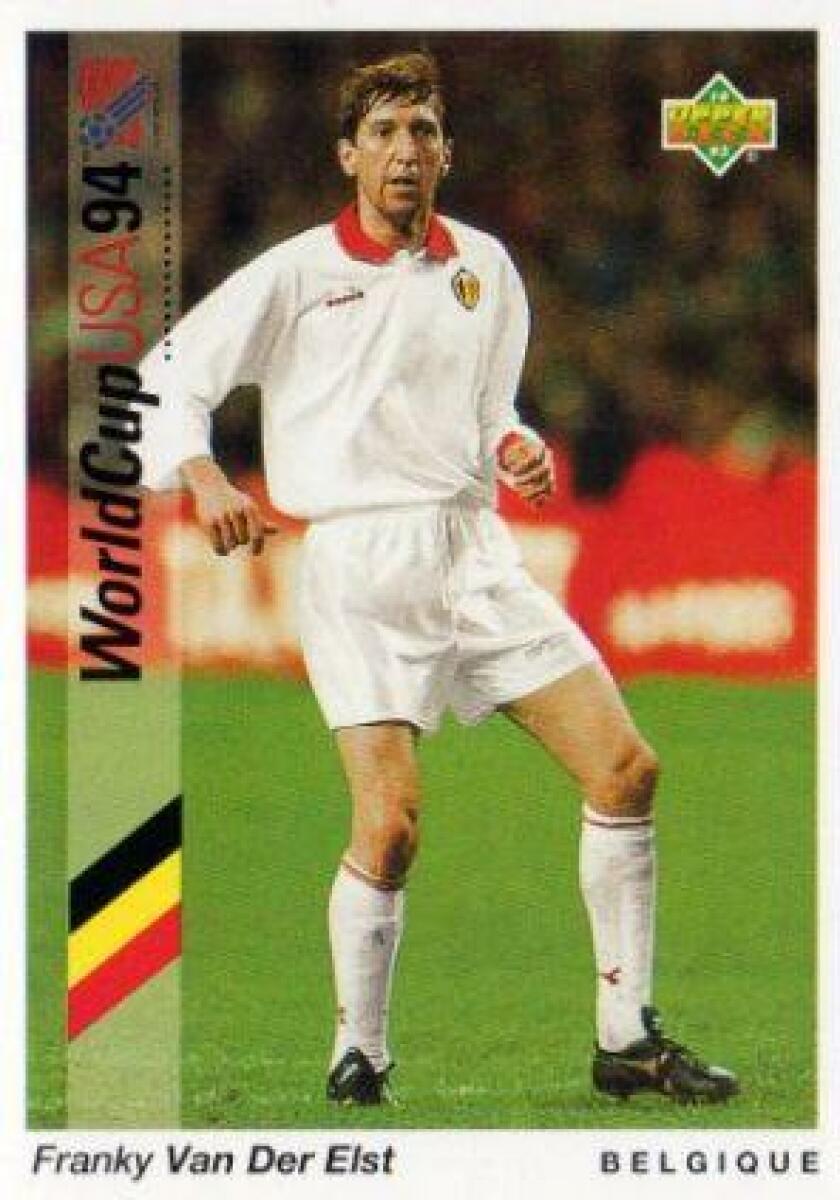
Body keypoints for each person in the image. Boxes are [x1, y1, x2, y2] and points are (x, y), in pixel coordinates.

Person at [139, 51, 738, 1107]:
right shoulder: (293, 274)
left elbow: (492, 411)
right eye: (383, 132)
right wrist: (203, 475)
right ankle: (358, 1052)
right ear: (348, 155)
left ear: (447, 151)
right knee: (391, 825)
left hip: (475, 554)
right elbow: (166, 378)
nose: (405, 150)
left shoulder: (486, 269)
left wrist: (518, 449)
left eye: (422, 130)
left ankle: (626, 1039)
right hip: (360, 568)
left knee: (625, 770)